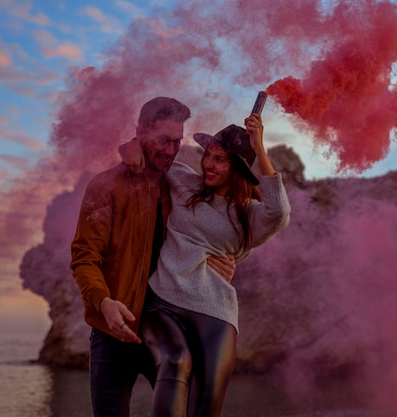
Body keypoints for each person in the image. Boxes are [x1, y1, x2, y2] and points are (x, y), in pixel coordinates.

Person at [70, 97, 237, 417]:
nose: (171, 151)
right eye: (163, 140)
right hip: (111, 331)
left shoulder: (181, 184)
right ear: (141, 132)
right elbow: (84, 257)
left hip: (169, 325)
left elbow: (219, 227)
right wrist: (104, 302)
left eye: (177, 141)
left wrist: (226, 264)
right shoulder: (105, 186)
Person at [122, 112, 291, 416]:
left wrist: (259, 146)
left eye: (220, 160)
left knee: (207, 407)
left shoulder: (248, 214)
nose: (209, 165)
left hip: (215, 312)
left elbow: (279, 212)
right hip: (164, 301)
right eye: (208, 156)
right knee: (174, 360)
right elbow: (148, 156)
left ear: (236, 168)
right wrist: (135, 145)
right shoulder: (184, 180)